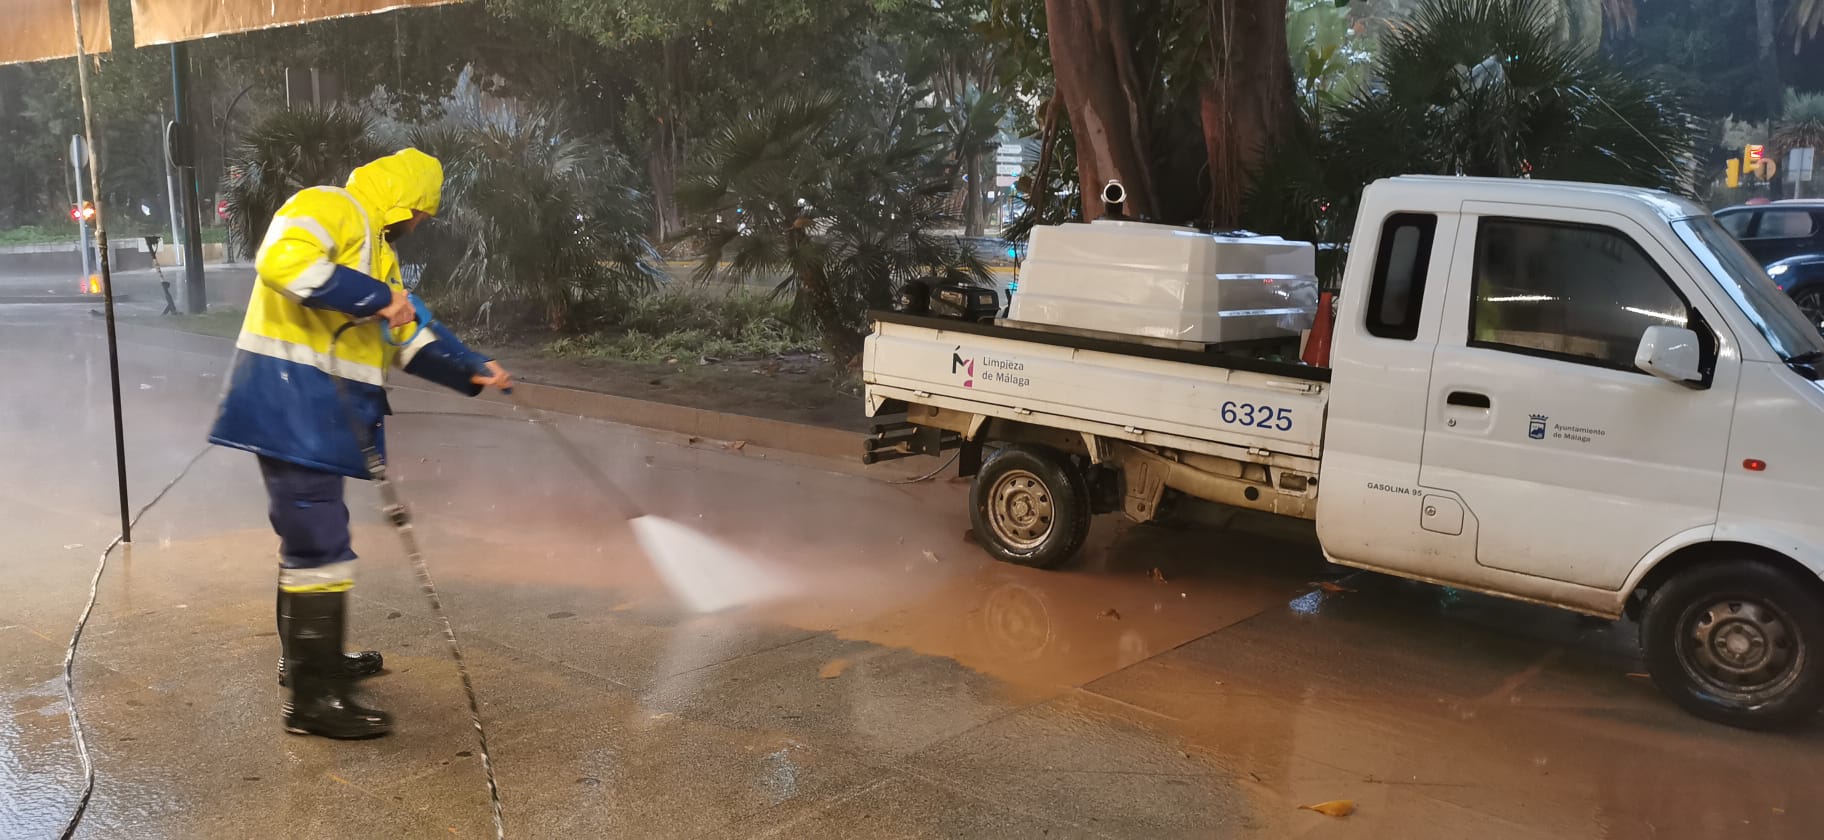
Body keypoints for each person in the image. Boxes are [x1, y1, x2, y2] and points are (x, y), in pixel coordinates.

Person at [208, 148, 512, 739]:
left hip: (315, 413)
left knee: (310, 538)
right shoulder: (327, 207)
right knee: (319, 543)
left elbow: (406, 334)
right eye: (425, 214)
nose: (423, 225)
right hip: (288, 405)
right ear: (410, 203)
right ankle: (313, 700)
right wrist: (373, 298)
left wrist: (470, 367)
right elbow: (281, 262)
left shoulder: (382, 255)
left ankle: (310, 665)